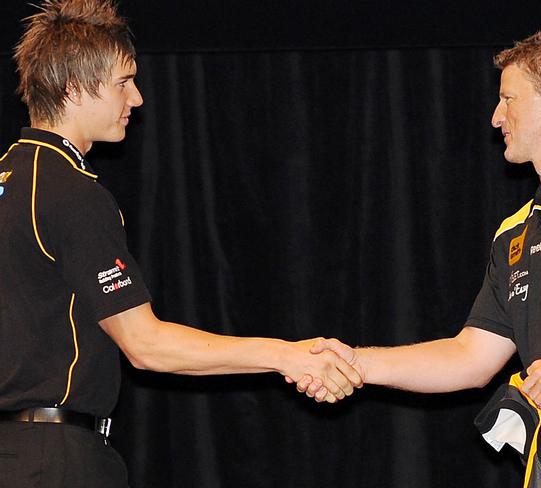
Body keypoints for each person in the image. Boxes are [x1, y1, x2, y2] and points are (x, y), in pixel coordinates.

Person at [0, 1, 361, 487]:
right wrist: (286, 354)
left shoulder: (13, 177)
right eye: (123, 83)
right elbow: (146, 345)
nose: (138, 99)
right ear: (74, 87)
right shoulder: (71, 191)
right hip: (53, 460)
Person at [303, 30, 541, 487]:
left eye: (509, 99)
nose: (495, 117)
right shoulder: (516, 232)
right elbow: (470, 357)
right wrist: (356, 363)